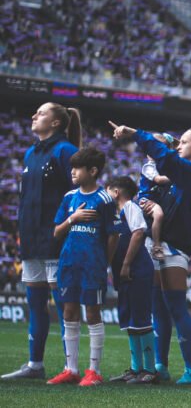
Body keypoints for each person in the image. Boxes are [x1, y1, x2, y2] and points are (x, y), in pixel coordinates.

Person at [109, 120, 191, 384]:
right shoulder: (173, 174)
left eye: (184, 142)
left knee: (176, 306)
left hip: (175, 245)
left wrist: (136, 134)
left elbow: (167, 159)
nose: (179, 146)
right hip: (155, 243)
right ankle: (159, 366)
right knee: (158, 308)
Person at [3, 103, 80, 380]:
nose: (34, 116)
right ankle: (35, 365)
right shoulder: (30, 153)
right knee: (35, 302)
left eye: (41, 113)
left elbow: (78, 195)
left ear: (56, 123)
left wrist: (68, 230)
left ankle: (71, 367)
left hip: (57, 238)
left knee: (63, 303)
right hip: (31, 238)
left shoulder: (65, 151)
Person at [46, 147, 117, 387]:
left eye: (77, 168)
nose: (72, 172)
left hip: (92, 266)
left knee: (93, 314)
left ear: (93, 171)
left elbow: (113, 235)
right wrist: (73, 219)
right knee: (69, 312)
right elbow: (56, 232)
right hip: (69, 264)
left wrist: (104, 263)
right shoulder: (69, 197)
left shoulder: (104, 199)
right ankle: (71, 369)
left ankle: (94, 371)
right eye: (72, 168)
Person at [106, 176, 157, 385]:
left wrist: (126, 264)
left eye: (108, 191)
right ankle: (136, 369)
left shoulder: (130, 207)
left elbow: (138, 233)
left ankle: (150, 370)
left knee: (141, 318)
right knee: (130, 320)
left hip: (137, 270)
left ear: (116, 192)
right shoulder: (117, 214)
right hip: (125, 273)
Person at [139, 133, 177, 262]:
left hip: (158, 199)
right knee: (159, 215)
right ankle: (156, 246)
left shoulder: (164, 165)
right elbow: (159, 180)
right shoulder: (149, 166)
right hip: (146, 198)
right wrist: (178, 176)